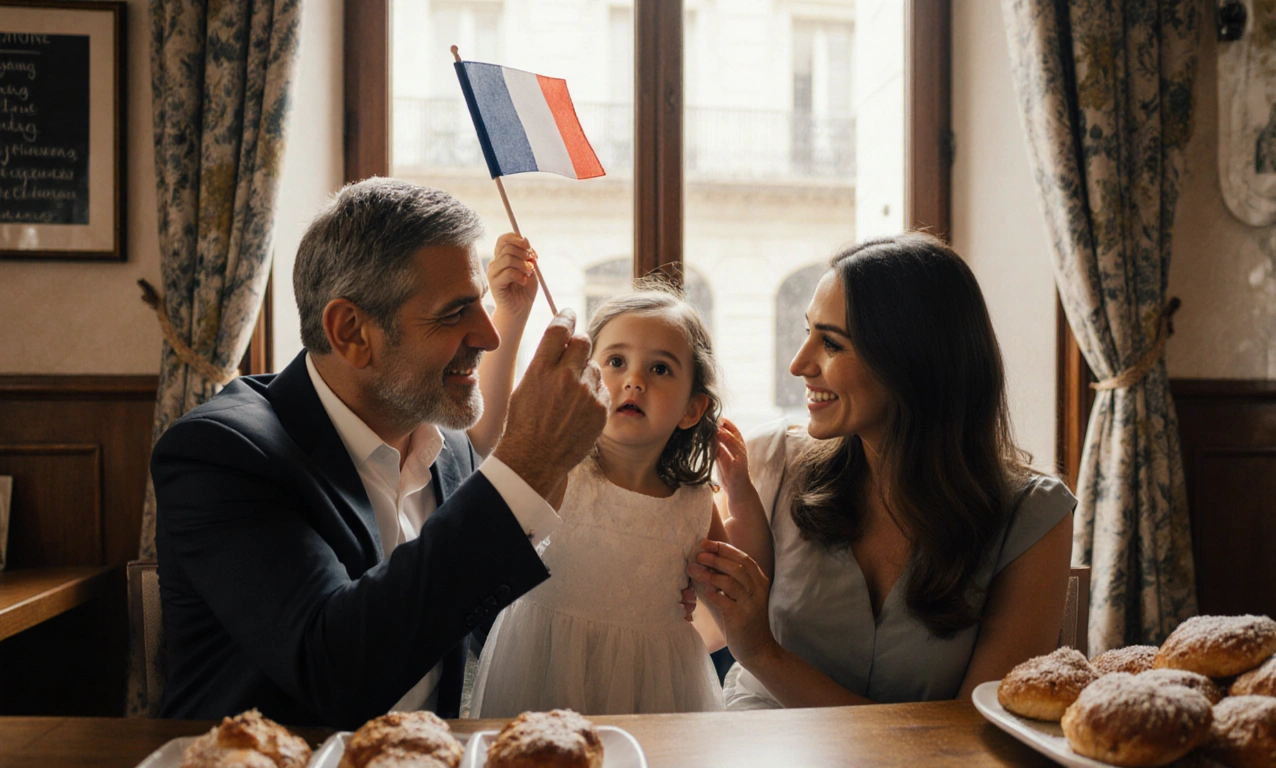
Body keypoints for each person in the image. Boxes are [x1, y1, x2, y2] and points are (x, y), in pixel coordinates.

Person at [151, 178, 619, 729]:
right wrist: (527, 463)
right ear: (351, 331)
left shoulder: (449, 452)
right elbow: (335, 670)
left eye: (484, 306)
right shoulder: (224, 454)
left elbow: (463, 614)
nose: (490, 337)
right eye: (455, 312)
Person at [688, 233, 1077, 708]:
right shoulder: (770, 461)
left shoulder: (1033, 516)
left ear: (913, 362)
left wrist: (764, 654)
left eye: (831, 343)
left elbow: (977, 733)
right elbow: (698, 617)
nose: (798, 364)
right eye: (806, 331)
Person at [467, 283, 772, 717]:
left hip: (658, 691)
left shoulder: (693, 505)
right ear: (586, 380)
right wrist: (511, 315)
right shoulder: (559, 471)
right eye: (615, 361)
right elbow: (491, 432)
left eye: (661, 369)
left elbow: (733, 614)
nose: (634, 380)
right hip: (541, 671)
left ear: (692, 409)